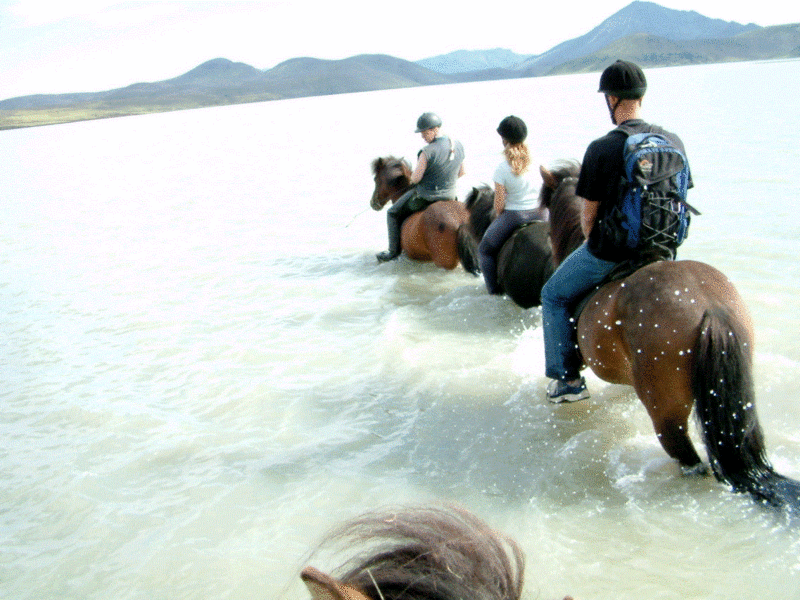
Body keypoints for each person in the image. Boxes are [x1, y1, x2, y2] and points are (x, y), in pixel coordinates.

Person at [540, 60, 693, 403]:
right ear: (642, 95)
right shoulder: (673, 140)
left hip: (613, 252)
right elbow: (681, 198)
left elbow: (588, 220)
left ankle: (567, 382)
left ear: (611, 99)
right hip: (664, 249)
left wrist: (596, 242)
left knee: (552, 294)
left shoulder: (602, 147)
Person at [376, 112, 466, 262]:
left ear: (434, 129)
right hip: (451, 195)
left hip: (426, 196)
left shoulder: (426, 152)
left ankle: (392, 252)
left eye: (424, 132)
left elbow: (416, 178)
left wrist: (414, 179)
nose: (422, 136)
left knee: (392, 213)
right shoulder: (457, 146)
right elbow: (462, 172)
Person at [479, 115, 547, 294]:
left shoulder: (502, 169)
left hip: (515, 216)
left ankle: (493, 292)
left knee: (484, 250)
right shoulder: (538, 161)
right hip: (541, 214)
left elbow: (499, 206)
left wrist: (497, 213)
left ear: (504, 140)